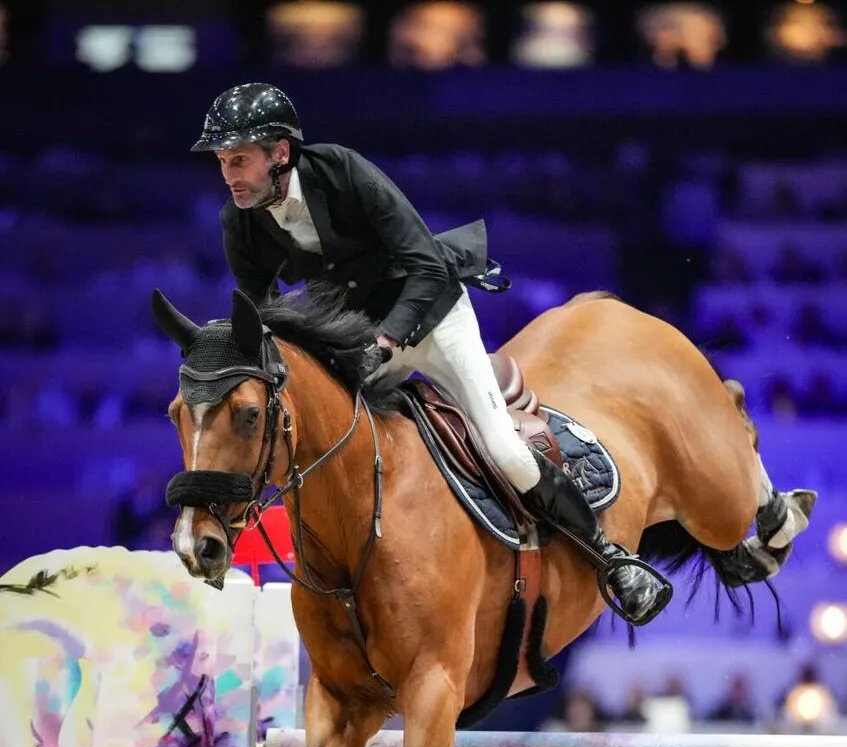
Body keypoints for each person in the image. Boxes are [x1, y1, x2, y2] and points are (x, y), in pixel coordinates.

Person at [190, 82, 668, 625]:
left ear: (280, 153)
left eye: (239, 160)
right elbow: (262, 317)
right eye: (223, 161)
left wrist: (387, 342)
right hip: (359, 335)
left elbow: (424, 263)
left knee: (503, 450)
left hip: (434, 317)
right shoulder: (239, 221)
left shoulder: (343, 172)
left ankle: (612, 559)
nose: (229, 174)